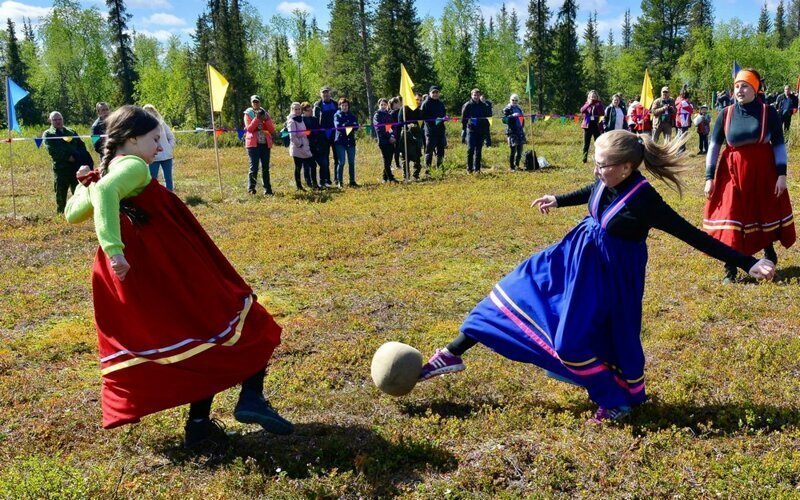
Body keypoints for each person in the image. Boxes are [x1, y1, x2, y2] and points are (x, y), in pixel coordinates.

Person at [418, 129, 775, 423]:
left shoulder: (645, 201)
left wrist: (747, 263)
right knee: (509, 292)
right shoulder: (607, 180)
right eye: (596, 163)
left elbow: (693, 235)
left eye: (603, 165)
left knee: (571, 345)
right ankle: (453, 353)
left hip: (607, 281)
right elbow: (594, 191)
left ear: (627, 167)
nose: (596, 171)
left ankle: (615, 401)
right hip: (570, 260)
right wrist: (558, 200)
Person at [63, 105, 293, 450]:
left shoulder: (108, 171)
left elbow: (73, 213)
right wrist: (114, 249)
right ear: (131, 138)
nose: (160, 147)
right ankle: (251, 397)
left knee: (196, 338)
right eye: (155, 139)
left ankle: (199, 428)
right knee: (242, 316)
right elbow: (107, 193)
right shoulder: (133, 165)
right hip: (173, 267)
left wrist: (88, 184)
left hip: (154, 272)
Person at [704, 68, 796, 283]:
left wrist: (781, 174)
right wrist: (709, 177)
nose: (739, 90)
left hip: (763, 172)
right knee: (733, 215)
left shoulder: (768, 112)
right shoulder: (725, 114)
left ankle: (768, 251)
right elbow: (714, 147)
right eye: (736, 86)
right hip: (732, 173)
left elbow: (779, 146)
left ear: (755, 89)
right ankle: (731, 268)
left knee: (759, 213)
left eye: (744, 86)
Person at [43, 111, 93, 214]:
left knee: (78, 192)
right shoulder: (48, 134)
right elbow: (52, 151)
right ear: (50, 121)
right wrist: (68, 157)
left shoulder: (71, 131)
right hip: (61, 169)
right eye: (55, 120)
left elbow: (81, 145)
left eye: (59, 119)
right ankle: (61, 214)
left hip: (75, 167)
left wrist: (79, 157)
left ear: (63, 119)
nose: (57, 121)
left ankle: (78, 213)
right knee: (61, 194)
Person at [243, 95, 277, 196]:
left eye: (257, 102)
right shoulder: (248, 114)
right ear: (251, 103)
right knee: (254, 167)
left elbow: (271, 129)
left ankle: (268, 189)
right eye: (254, 102)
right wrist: (257, 119)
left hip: (265, 144)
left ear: (260, 102)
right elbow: (249, 129)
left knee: (265, 168)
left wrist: (266, 119)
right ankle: (251, 189)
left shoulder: (265, 113)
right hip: (253, 144)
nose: (256, 104)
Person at [142, 104, 176, 191]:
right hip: (153, 157)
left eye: (150, 112)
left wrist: (169, 147)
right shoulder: (143, 127)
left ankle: (170, 197)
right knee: (152, 179)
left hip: (166, 156)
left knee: (168, 179)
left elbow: (171, 137)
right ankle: (153, 197)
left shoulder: (162, 123)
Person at [287, 101, 317, 191]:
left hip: (304, 146)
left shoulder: (300, 119)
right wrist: (299, 144)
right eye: (295, 109)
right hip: (297, 148)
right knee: (298, 167)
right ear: (292, 110)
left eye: (299, 109)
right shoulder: (291, 121)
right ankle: (299, 186)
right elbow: (292, 136)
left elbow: (303, 132)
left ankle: (314, 184)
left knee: (313, 164)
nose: (297, 111)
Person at [461, 88, 491, 173]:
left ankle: (477, 169)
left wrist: (486, 129)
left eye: (477, 95)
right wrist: (464, 129)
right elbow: (463, 119)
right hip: (471, 130)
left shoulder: (484, 105)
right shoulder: (467, 105)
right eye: (474, 95)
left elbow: (487, 117)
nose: (476, 97)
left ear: (479, 95)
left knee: (479, 150)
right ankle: (469, 169)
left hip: (481, 131)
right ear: (471, 95)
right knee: (470, 149)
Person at [313, 87, 337, 187]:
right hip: (323, 136)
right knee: (325, 159)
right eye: (323, 94)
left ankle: (337, 179)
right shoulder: (317, 105)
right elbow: (315, 120)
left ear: (330, 94)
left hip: (335, 134)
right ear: (320, 95)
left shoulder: (335, 104)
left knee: (337, 158)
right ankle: (326, 179)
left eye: (327, 94)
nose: (325, 96)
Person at [333, 97, 359, 188]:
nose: (344, 107)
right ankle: (340, 181)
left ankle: (352, 180)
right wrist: (349, 124)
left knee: (351, 162)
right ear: (340, 106)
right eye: (343, 105)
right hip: (340, 141)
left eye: (346, 105)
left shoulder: (352, 115)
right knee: (342, 162)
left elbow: (356, 126)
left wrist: (347, 125)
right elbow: (338, 127)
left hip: (350, 141)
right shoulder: (337, 115)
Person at [420, 86, 447, 171]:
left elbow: (443, 114)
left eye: (436, 92)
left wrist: (444, 118)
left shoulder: (441, 103)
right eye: (433, 92)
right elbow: (423, 117)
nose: (435, 94)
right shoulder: (425, 103)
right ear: (429, 93)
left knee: (441, 151)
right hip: (430, 131)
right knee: (429, 151)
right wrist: (435, 120)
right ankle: (427, 170)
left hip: (440, 131)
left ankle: (439, 168)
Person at [401, 93, 426, 179]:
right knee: (405, 157)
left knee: (417, 156)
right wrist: (407, 125)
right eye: (417, 99)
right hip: (406, 135)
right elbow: (399, 122)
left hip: (417, 135)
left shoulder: (419, 111)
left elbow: (422, 123)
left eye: (420, 100)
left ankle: (416, 175)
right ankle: (406, 176)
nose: (418, 101)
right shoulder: (404, 109)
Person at [373, 98, 398, 183]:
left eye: (385, 104)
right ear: (379, 105)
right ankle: (391, 178)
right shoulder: (377, 115)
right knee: (386, 159)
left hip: (391, 140)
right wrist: (388, 137)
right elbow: (380, 129)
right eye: (382, 105)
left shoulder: (389, 115)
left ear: (387, 105)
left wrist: (393, 136)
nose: (383, 106)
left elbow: (392, 127)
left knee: (389, 159)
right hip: (383, 141)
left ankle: (385, 177)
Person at [302, 102, 327, 189]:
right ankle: (311, 183)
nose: (311, 111)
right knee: (309, 166)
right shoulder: (301, 120)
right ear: (304, 111)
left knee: (323, 164)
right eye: (308, 110)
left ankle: (322, 182)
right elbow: (303, 133)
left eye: (311, 110)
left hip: (317, 146)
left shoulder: (315, 119)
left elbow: (319, 131)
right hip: (306, 146)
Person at [502, 94, 526, 170]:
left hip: (520, 131)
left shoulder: (519, 108)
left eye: (516, 100)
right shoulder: (507, 109)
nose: (514, 101)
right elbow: (504, 120)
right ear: (510, 100)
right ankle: (511, 167)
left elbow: (522, 119)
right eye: (513, 100)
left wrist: (522, 126)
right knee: (513, 150)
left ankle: (517, 165)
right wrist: (511, 115)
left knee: (520, 150)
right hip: (512, 131)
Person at [580, 90, 604, 163]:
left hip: (596, 126)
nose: (593, 97)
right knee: (586, 144)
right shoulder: (587, 103)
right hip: (587, 126)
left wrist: (597, 106)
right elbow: (582, 110)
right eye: (592, 96)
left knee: (598, 143)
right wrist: (589, 104)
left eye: (594, 96)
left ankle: (598, 159)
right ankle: (584, 159)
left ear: (597, 97)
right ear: (589, 97)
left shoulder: (599, 104)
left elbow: (603, 113)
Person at [674, 87, 694, 153]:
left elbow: (690, 108)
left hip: (683, 119)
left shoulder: (682, 101)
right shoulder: (681, 101)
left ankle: (682, 149)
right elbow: (690, 109)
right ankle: (679, 150)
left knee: (682, 134)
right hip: (682, 120)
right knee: (681, 135)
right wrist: (688, 103)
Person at [389, 97, 403, 172]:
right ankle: (396, 164)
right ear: (394, 104)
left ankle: (399, 164)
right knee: (395, 150)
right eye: (397, 102)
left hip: (400, 131)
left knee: (399, 149)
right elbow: (388, 126)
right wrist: (391, 134)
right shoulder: (392, 113)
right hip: (394, 133)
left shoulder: (400, 111)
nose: (399, 104)